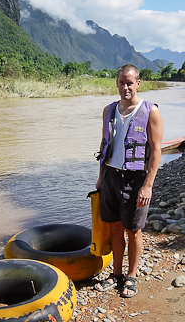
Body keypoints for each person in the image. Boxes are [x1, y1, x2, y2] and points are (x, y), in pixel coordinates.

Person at [94, 64, 163, 298]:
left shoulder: (149, 110)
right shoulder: (109, 110)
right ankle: (116, 274)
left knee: (133, 231)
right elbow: (104, 145)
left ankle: (131, 276)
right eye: (122, 82)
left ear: (138, 84)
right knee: (114, 228)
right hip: (111, 176)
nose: (126, 87)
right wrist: (100, 177)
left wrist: (148, 185)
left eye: (130, 83)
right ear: (117, 83)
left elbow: (156, 151)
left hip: (135, 179)